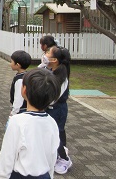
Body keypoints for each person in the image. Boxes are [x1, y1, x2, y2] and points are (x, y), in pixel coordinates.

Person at [0, 68, 61, 179]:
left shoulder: (17, 121)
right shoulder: (52, 122)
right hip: (44, 175)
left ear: (24, 90)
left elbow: (6, 158)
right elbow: (52, 155)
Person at [45, 46, 72, 174]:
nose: (45, 54)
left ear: (54, 59)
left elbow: (54, 98)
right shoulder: (50, 70)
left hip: (57, 110)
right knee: (50, 135)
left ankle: (65, 158)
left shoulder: (62, 77)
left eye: (48, 53)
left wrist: (39, 102)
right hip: (49, 109)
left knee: (56, 135)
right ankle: (55, 156)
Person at [9, 50, 31, 116]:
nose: (10, 63)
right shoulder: (26, 75)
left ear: (18, 65)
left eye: (11, 62)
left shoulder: (20, 80)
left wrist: (13, 113)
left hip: (21, 110)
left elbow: (18, 99)